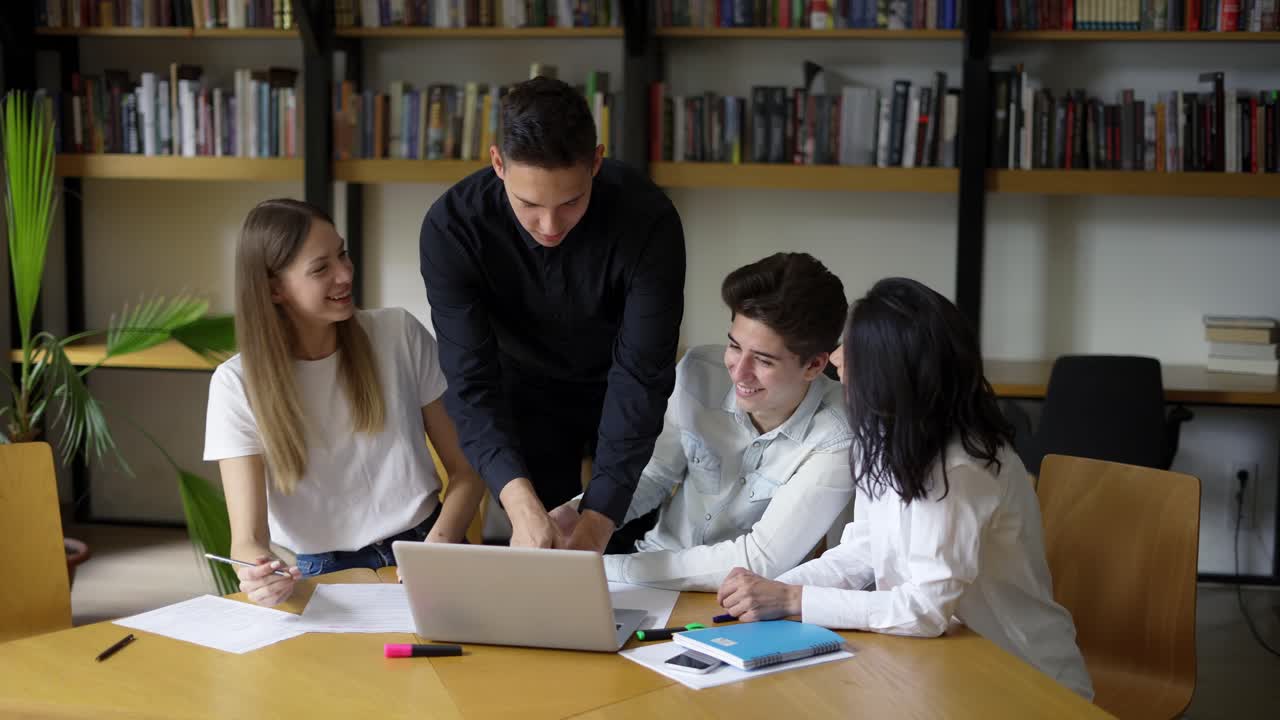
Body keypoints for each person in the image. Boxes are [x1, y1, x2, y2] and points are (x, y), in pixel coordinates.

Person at [715, 277, 1094, 701]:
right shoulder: (890, 435)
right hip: (942, 659)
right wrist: (771, 593)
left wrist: (793, 599)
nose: (838, 357)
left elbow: (925, 609)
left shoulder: (962, 466)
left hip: (1021, 679)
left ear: (892, 371)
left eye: (853, 347)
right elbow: (862, 551)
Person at [418, 76, 685, 552]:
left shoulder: (649, 220)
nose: (549, 225)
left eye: (570, 202)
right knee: (538, 544)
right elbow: (470, 380)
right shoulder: (452, 227)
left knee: (624, 550)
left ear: (596, 162)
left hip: (619, 388)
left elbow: (642, 373)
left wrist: (601, 517)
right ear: (498, 162)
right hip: (520, 391)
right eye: (528, 203)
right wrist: (520, 504)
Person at [204, 198, 484, 607]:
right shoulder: (235, 383)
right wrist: (260, 573)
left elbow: (468, 469)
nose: (345, 274)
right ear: (273, 288)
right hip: (324, 572)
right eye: (321, 268)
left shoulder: (397, 334)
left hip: (429, 543)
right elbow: (247, 540)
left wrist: (437, 546)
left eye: (343, 254)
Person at [552, 253, 853, 591]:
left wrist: (606, 568)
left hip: (746, 601)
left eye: (764, 361)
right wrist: (579, 514)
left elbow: (760, 559)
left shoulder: (838, 435)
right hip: (649, 570)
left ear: (814, 365)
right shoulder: (698, 371)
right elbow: (654, 474)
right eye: (735, 346)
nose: (739, 372)